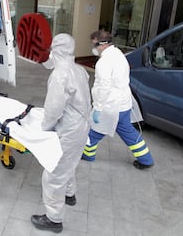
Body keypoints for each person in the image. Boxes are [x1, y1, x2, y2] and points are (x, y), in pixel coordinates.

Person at [31, 33, 91, 233]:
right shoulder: (78, 70)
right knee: (70, 163)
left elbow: (54, 109)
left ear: (55, 50)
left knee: (54, 173)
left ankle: (54, 219)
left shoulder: (60, 74)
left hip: (70, 129)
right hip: (82, 126)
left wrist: (44, 130)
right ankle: (70, 195)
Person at [81, 29, 154, 170]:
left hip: (110, 106)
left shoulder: (104, 62)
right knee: (128, 132)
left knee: (94, 132)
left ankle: (88, 155)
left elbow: (104, 87)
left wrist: (98, 108)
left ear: (102, 44)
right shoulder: (119, 54)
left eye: (94, 45)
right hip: (124, 103)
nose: (93, 48)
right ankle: (146, 159)